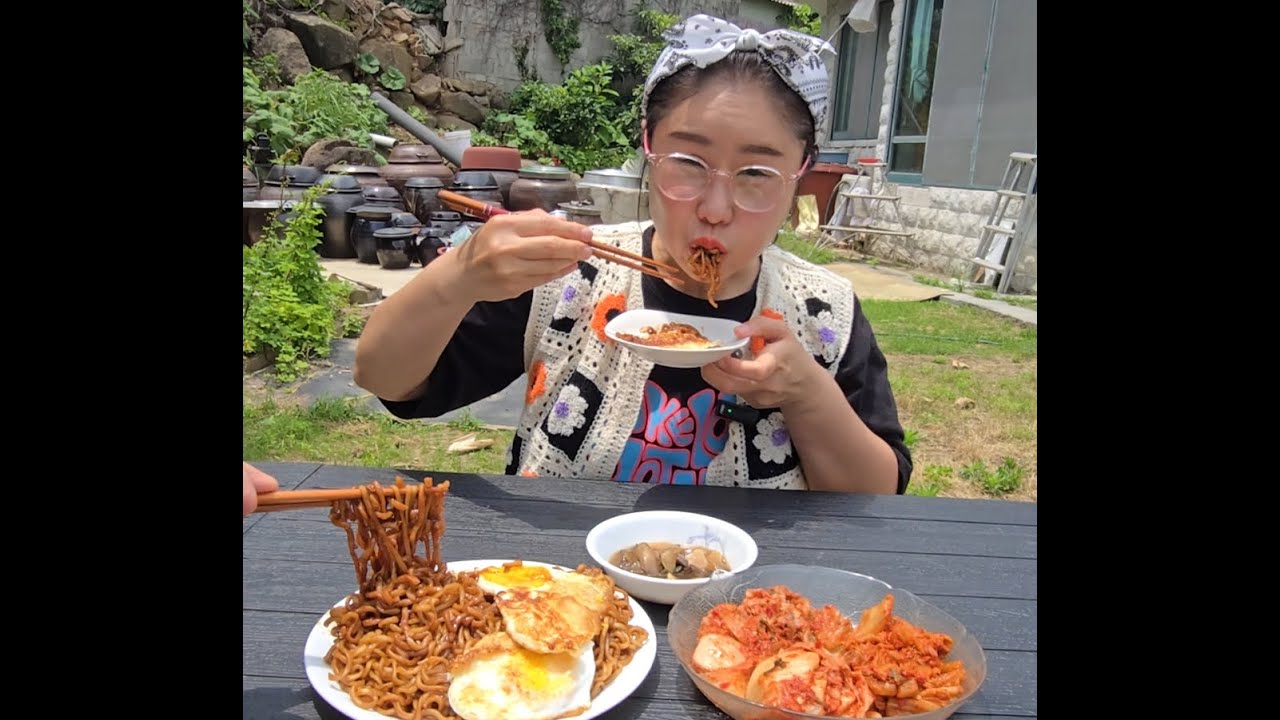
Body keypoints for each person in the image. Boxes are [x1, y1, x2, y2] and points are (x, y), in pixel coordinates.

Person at [353, 14, 912, 494]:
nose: (716, 208)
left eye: (757, 174)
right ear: (649, 148)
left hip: (748, 609)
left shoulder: (822, 312)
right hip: (561, 599)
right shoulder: (572, 277)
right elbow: (386, 379)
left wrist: (807, 392)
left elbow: (875, 495)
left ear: (800, 175)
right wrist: (459, 275)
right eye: (688, 164)